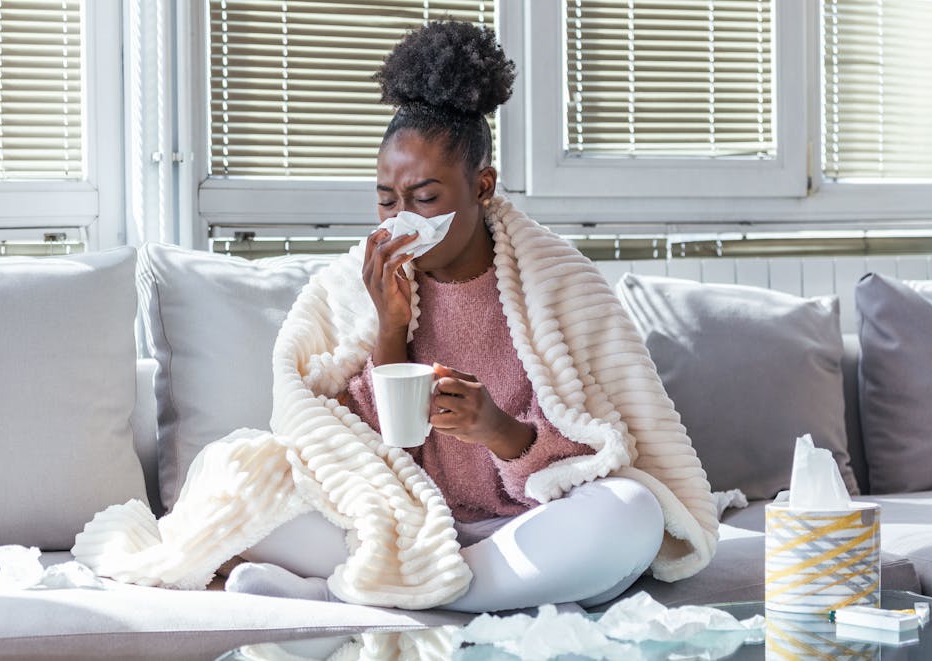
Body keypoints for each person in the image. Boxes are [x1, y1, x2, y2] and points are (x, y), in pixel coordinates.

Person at [225, 20, 668, 612]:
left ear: (481, 185)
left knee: (634, 515)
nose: (401, 217)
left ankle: (358, 592)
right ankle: (460, 590)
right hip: (401, 519)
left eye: (426, 198)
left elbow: (603, 450)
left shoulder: (558, 282)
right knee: (237, 479)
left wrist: (499, 431)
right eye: (387, 199)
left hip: (525, 527)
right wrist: (388, 328)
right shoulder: (358, 284)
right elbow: (355, 452)